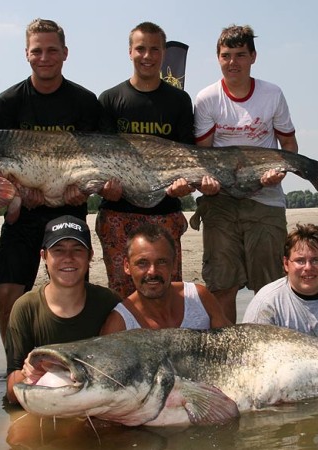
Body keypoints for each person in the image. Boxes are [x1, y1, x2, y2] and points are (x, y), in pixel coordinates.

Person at [0, 18, 103, 346]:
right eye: (37, 51)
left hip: (68, 212)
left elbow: (94, 162)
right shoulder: (8, 103)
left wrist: (82, 191)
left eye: (52, 50)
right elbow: (3, 164)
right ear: (26, 54)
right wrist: (22, 192)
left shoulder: (85, 102)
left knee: (71, 292)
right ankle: (16, 363)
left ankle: (72, 360)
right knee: (9, 293)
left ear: (65, 53)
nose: (44, 58)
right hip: (23, 213)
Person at [96, 21, 217, 298]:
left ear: (163, 53)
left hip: (165, 213)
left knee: (167, 295)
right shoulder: (109, 100)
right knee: (123, 297)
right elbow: (100, 160)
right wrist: (104, 187)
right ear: (130, 51)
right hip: (117, 214)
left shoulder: (179, 101)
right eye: (141, 49)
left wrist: (186, 185)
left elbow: (189, 156)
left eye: (154, 49)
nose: (147, 56)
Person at [192, 24, 298, 322]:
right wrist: (205, 184)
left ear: (253, 57)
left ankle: (269, 340)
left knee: (270, 285)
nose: (233, 62)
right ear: (218, 58)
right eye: (226, 55)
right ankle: (228, 342)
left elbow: (289, 145)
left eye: (240, 55)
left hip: (265, 199)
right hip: (220, 200)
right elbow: (202, 154)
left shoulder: (272, 94)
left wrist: (280, 171)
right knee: (222, 284)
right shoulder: (207, 98)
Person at [4, 215, 120, 404]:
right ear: (44, 256)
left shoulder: (109, 302)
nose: (68, 258)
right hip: (47, 403)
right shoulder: (25, 308)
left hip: (96, 403)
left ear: (90, 256)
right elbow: (11, 393)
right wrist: (29, 374)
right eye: (58, 250)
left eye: (77, 250)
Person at [99, 223, 231, 334]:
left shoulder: (199, 298)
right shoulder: (119, 324)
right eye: (142, 263)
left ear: (174, 264)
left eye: (161, 262)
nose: (152, 272)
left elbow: (232, 343)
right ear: (127, 266)